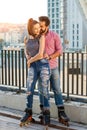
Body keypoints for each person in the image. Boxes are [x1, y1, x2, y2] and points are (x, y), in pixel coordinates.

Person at [38, 16, 69, 126]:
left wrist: (50, 57)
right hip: (41, 69)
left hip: (53, 67)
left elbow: (60, 51)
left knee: (57, 90)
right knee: (42, 91)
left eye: (42, 26)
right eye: (39, 26)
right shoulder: (37, 36)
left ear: (47, 26)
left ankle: (61, 112)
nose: (40, 28)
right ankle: (44, 112)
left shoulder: (54, 36)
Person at [20, 18, 50, 126]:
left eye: (38, 28)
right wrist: (27, 56)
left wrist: (30, 60)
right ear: (30, 29)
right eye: (35, 29)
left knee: (44, 90)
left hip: (43, 65)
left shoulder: (41, 37)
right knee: (29, 89)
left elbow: (41, 54)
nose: (38, 30)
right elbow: (25, 49)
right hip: (32, 65)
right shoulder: (26, 38)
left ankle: (46, 113)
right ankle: (28, 112)